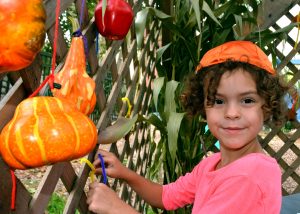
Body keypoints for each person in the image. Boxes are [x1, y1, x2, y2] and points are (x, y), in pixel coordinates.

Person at [86, 40, 288, 214]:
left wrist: (116, 208)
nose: (231, 113)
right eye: (218, 101)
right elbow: (166, 196)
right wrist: (124, 173)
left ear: (268, 106)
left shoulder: (248, 176)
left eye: (247, 100)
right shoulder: (215, 164)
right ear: (203, 106)